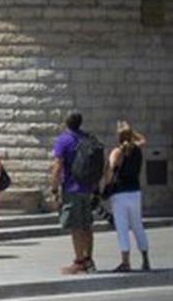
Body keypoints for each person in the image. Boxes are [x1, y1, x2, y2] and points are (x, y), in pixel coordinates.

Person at [50, 112, 101, 274]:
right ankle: (89, 259)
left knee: (76, 227)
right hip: (87, 187)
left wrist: (54, 188)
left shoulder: (63, 140)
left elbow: (58, 166)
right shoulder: (88, 138)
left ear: (66, 123)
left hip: (72, 188)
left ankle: (79, 262)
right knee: (87, 225)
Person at [105, 121, 150, 272]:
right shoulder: (137, 149)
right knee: (138, 225)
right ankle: (145, 259)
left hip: (120, 193)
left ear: (118, 136)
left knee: (122, 227)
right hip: (135, 191)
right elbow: (143, 139)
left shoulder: (117, 152)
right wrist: (132, 131)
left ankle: (126, 261)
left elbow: (110, 170)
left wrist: (107, 185)